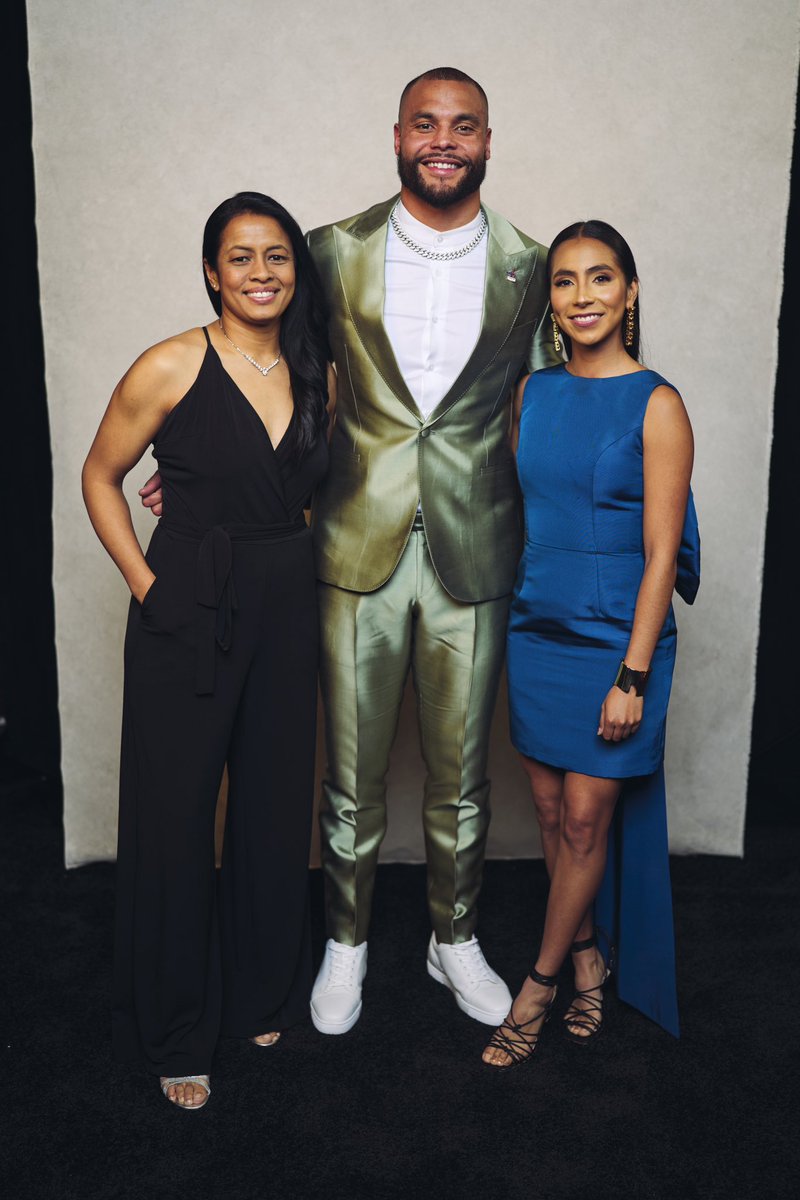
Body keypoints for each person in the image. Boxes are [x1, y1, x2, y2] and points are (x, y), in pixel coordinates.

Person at [304, 67, 561, 1035]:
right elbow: (283, 377)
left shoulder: (531, 265)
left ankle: (451, 938)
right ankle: (347, 942)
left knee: (461, 773)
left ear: (488, 141)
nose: (442, 140)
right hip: (354, 537)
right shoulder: (331, 251)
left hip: (476, 542)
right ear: (397, 135)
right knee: (351, 768)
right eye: (425, 123)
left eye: (462, 126)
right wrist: (205, 467)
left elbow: (548, 410)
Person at [82, 192, 332, 1108]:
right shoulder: (170, 363)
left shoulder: (318, 369)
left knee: (272, 810)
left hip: (287, 601)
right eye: (240, 257)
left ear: (294, 272)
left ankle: (261, 990)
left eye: (277, 257)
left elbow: (294, 487)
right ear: (210, 271)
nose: (260, 273)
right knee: (177, 818)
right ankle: (177, 1026)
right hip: (189, 599)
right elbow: (102, 475)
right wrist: (153, 591)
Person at [482, 220, 699, 1069]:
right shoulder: (533, 395)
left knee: (583, 815)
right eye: (565, 282)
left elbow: (659, 554)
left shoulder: (658, 403)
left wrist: (633, 675)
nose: (582, 297)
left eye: (600, 278)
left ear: (630, 291)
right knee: (545, 809)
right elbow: (515, 508)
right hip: (538, 627)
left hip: (619, 639)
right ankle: (585, 954)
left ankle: (538, 985)